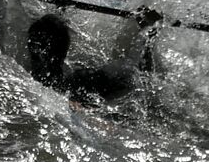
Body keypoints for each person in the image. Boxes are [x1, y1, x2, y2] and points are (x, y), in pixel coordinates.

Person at [26, 10, 161, 105]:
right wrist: (149, 34)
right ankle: (150, 32)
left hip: (98, 89)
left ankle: (148, 32)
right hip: (113, 89)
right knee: (136, 74)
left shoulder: (35, 67)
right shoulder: (77, 80)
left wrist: (60, 12)